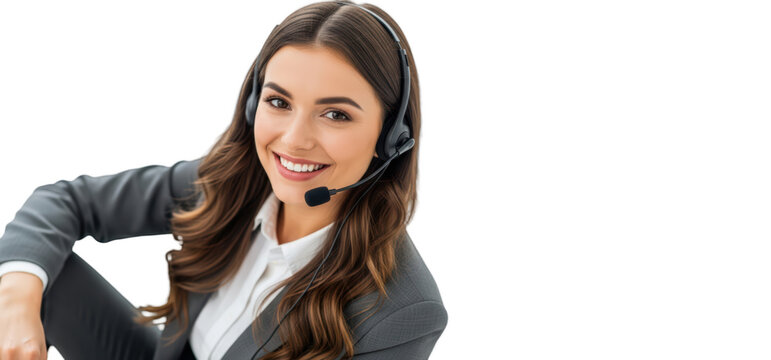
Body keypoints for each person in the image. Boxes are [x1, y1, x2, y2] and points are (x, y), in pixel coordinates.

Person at [0, 1, 447, 359]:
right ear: (255, 105)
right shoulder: (229, 182)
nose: (294, 140)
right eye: (279, 102)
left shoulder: (405, 311)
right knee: (31, 271)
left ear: (389, 137)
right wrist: (17, 300)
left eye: (335, 114)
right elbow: (66, 202)